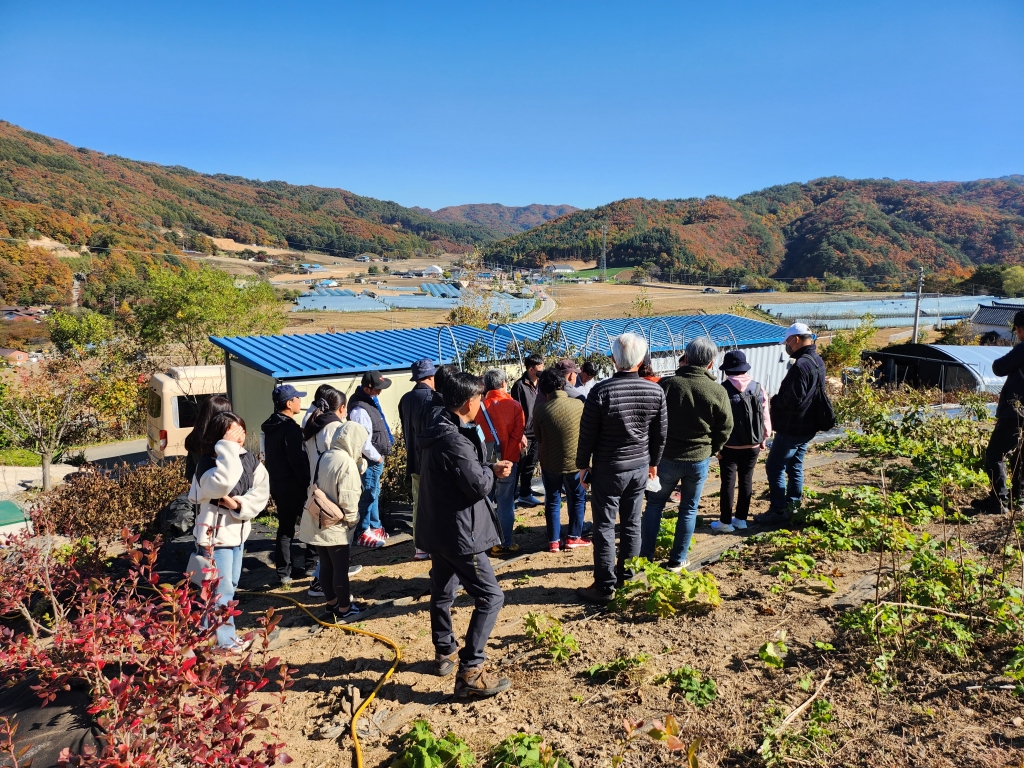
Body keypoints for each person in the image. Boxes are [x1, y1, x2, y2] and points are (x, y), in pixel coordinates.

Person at [417, 372, 514, 699]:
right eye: (480, 399)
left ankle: (444, 651)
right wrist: (491, 472)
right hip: (459, 533)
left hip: (438, 528)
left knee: (443, 590)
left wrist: (483, 468)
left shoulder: (437, 428)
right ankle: (470, 671)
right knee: (491, 596)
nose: (482, 404)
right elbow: (475, 485)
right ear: (469, 402)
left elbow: (461, 475)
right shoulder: (454, 440)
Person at [575, 332, 667, 604]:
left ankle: (604, 586)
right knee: (631, 523)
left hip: (608, 468)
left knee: (604, 526)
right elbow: (660, 434)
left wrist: (583, 466)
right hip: (639, 466)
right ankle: (627, 578)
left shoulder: (601, 391)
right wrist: (653, 464)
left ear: (614, 359)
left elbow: (587, 433)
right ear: (641, 360)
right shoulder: (655, 390)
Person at [640, 338, 733, 570]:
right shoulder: (717, 390)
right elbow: (726, 427)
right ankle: (677, 559)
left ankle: (644, 557)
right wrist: (713, 448)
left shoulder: (668, 384)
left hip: (667, 458)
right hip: (698, 459)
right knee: (689, 508)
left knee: (654, 505)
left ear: (687, 357)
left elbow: (651, 421)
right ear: (711, 364)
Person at [190, 412, 270, 650]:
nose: (240, 436)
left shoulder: (249, 460)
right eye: (232, 432)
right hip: (215, 538)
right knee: (220, 590)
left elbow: (262, 490)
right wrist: (227, 447)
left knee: (228, 585)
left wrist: (238, 505)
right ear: (219, 436)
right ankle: (225, 642)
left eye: (242, 431)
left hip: (238, 535)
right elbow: (223, 482)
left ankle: (208, 633)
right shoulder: (207, 462)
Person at [299, 420, 369, 622]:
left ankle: (331, 603)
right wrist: (352, 521)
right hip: (336, 523)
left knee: (326, 565)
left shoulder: (327, 455)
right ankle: (346, 608)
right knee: (340, 569)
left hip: (318, 517)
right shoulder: (346, 463)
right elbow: (348, 498)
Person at [762, 322, 826, 521]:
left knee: (775, 466)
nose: (786, 347)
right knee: (795, 465)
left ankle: (778, 511)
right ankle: (794, 506)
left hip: (793, 427)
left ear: (795, 340)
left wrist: (775, 401)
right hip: (809, 425)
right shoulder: (817, 361)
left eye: (787, 342)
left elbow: (793, 399)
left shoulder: (800, 366)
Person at [302, 387, 361, 595]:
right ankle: (328, 589)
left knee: (324, 547)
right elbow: (343, 456)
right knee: (336, 545)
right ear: (342, 408)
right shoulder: (335, 427)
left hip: (316, 487)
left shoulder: (310, 422)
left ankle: (324, 585)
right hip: (333, 488)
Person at [533, 369, 589, 553]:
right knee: (578, 498)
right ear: (563, 384)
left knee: (552, 500)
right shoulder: (579, 405)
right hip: (575, 463)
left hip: (550, 463)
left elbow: (539, 437)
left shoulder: (540, 410)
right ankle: (573, 537)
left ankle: (554, 541)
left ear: (543, 391)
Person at [261, 384, 312, 586]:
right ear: (289, 403)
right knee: (312, 522)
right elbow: (297, 460)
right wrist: (308, 483)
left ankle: (284, 572)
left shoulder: (270, 426)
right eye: (297, 398)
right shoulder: (290, 429)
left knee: (285, 528)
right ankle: (312, 564)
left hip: (277, 483)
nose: (300, 401)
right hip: (294, 485)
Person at [715, 350, 771, 532]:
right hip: (753, 444)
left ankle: (725, 522)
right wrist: (764, 438)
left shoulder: (722, 389)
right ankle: (741, 519)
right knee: (747, 480)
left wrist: (717, 446)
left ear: (727, 370)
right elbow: (765, 416)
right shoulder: (758, 388)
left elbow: (717, 420)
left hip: (729, 445)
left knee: (728, 483)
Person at [475, 368, 526, 556]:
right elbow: (517, 435)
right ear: (504, 383)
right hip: (508, 461)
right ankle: (504, 542)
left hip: (484, 462)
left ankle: (483, 541)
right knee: (505, 502)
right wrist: (509, 459)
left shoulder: (478, 406)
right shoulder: (514, 406)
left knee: (484, 501)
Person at [982, 310, 1024, 512]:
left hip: (1017, 412)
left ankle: (999, 502)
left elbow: (999, 367)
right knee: (1021, 455)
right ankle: (1020, 499)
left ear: (1019, 329)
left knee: (995, 454)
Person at [399, 359, 438, 561]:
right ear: (431, 377)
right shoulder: (433, 399)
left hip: (414, 460)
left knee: (418, 503)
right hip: (432, 461)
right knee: (435, 503)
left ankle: (420, 547)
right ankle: (434, 544)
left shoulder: (405, 399)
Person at [350, 370, 394, 548]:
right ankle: (362, 531)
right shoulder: (360, 410)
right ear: (367, 389)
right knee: (367, 495)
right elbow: (362, 442)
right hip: (370, 460)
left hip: (375, 459)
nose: (380, 392)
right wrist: (377, 458)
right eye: (377, 389)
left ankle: (374, 526)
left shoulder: (369, 402)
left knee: (374, 492)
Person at [511, 354, 544, 507]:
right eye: (540, 367)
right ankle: (510, 497)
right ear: (531, 369)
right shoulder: (519, 386)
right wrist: (521, 433)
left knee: (531, 464)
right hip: (525, 433)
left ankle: (525, 494)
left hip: (538, 430)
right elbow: (516, 412)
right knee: (519, 465)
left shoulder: (542, 384)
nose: (542, 369)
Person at [183, 395, 232, 482]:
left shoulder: (195, 438)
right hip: (223, 491)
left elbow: (189, 473)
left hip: (203, 491)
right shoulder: (223, 442)